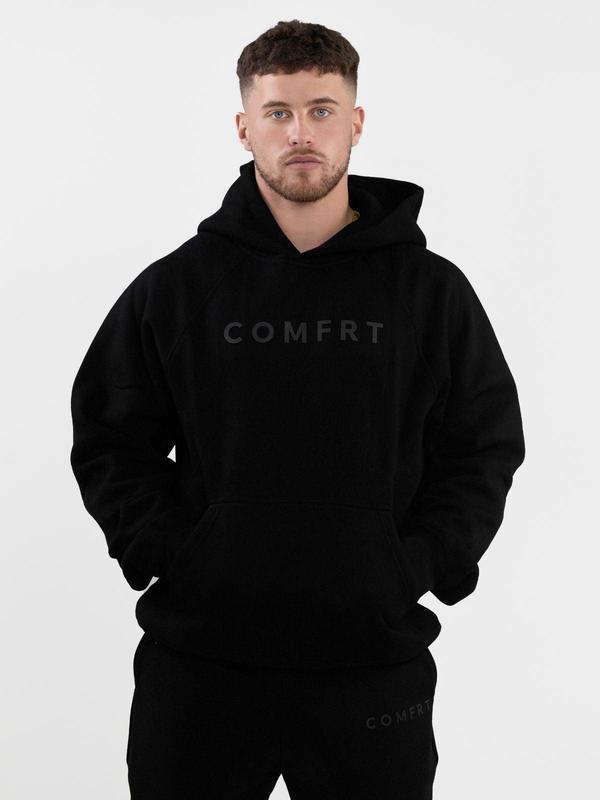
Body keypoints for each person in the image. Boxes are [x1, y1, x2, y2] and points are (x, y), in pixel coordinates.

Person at [69, 18, 526, 800]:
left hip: (372, 667)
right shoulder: (178, 288)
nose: (301, 132)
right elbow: (110, 438)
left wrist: (415, 564)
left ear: (356, 122)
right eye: (278, 112)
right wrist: (178, 553)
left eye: (321, 109)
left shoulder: (430, 294)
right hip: (201, 666)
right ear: (244, 127)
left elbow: (482, 445)